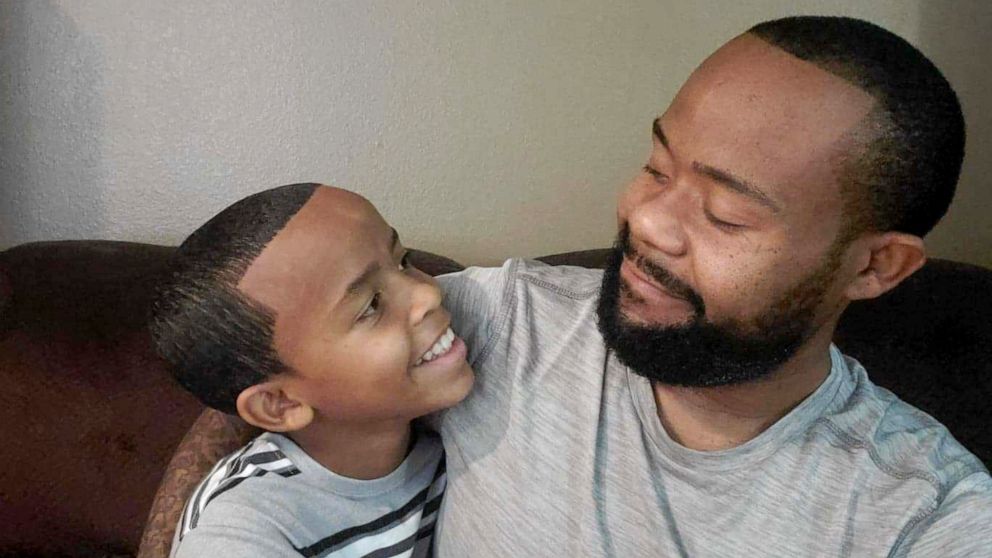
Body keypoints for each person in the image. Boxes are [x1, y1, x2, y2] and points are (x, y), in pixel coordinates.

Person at [140, 16, 992, 557]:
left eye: (728, 215)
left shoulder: (922, 515)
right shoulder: (505, 322)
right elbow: (279, 362)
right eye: (656, 165)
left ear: (875, 266)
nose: (649, 222)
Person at [149, 183, 474, 558]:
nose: (429, 294)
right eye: (371, 306)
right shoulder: (248, 524)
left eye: (403, 261)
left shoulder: (446, 434)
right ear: (280, 404)